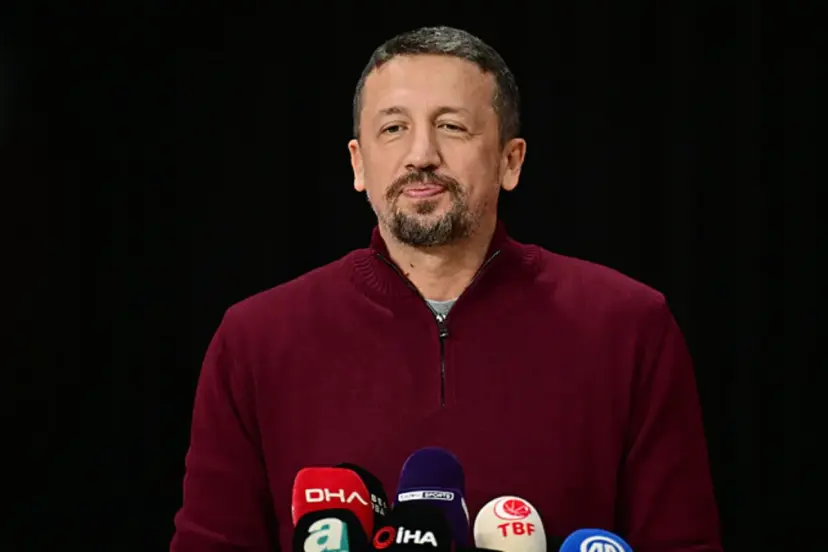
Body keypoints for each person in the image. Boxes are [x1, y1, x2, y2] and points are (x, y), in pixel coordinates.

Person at [170, 26, 722, 552]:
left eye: (452, 126)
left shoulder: (628, 327)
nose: (421, 155)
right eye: (393, 128)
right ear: (358, 164)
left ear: (511, 161)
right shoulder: (256, 340)